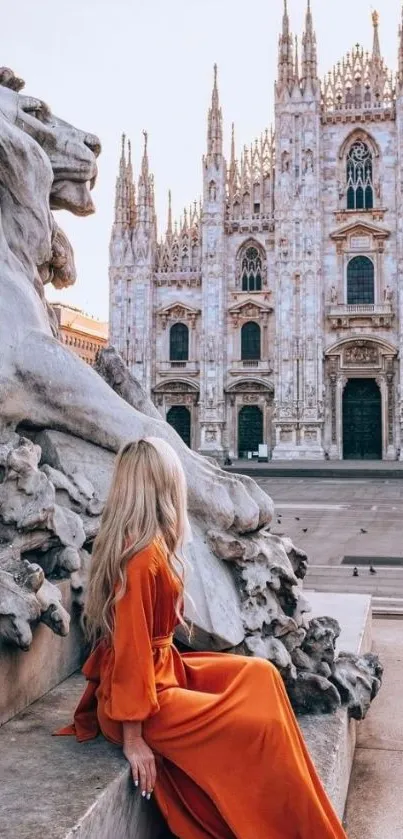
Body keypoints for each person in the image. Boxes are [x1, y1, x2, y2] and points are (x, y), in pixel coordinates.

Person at [57, 438, 347, 839]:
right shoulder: (141, 559)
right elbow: (130, 651)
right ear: (161, 487)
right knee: (260, 726)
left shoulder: (149, 544)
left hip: (161, 671)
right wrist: (134, 739)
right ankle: (287, 828)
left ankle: (302, 818)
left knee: (260, 676)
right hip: (144, 700)